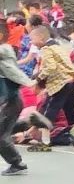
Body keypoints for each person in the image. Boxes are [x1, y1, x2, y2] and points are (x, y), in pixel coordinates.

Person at [30, 24, 74, 149]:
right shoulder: (58, 46)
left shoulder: (47, 49)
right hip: (71, 80)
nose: (32, 42)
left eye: (33, 39)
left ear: (41, 38)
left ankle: (45, 142)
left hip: (60, 83)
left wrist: (38, 78)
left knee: (50, 110)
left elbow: (51, 67)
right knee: (69, 110)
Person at [1, 40, 46, 175]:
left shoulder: (5, 66)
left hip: (10, 103)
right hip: (11, 102)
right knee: (5, 130)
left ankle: (17, 163)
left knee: (2, 136)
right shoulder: (6, 65)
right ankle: (29, 122)